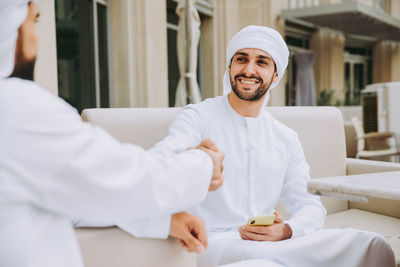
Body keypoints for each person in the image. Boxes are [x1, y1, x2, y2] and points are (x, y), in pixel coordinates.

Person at [140, 25, 396, 267]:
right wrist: (193, 158)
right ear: (229, 66)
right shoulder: (198, 116)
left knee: (369, 243)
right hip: (213, 242)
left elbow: (309, 205)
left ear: (275, 75)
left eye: (261, 62)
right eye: (241, 59)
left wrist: (285, 231)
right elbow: (164, 155)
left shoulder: (284, 137)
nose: (249, 70)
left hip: (269, 246)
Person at [0, 1, 225, 266]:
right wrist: (204, 164)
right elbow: (129, 178)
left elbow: (73, 192)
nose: (35, 38)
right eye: (33, 21)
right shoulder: (14, 107)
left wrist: (164, 221)